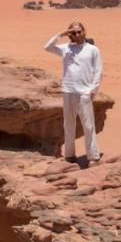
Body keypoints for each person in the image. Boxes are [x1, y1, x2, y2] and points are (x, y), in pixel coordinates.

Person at [43, 21, 103, 164]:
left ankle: (93, 156)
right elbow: (47, 47)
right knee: (68, 124)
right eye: (73, 32)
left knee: (88, 125)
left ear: (84, 32)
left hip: (84, 93)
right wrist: (61, 34)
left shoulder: (93, 50)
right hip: (68, 91)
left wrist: (92, 90)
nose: (76, 35)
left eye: (78, 32)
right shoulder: (66, 48)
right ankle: (70, 155)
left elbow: (98, 72)